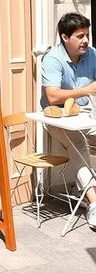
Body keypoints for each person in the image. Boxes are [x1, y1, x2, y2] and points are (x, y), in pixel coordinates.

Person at [40, 12, 96, 229]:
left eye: (87, 36)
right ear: (65, 37)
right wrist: (86, 90)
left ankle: (82, 187)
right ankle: (93, 202)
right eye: (80, 36)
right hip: (57, 119)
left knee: (80, 138)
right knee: (77, 142)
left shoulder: (91, 54)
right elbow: (52, 96)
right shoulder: (53, 58)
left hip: (86, 116)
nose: (85, 41)